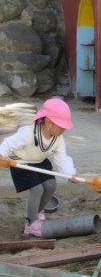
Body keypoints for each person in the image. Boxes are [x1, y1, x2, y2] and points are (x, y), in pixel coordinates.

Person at [0, 98, 76, 236]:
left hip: (39, 161)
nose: (64, 129)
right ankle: (30, 223)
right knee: (37, 189)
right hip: (21, 163)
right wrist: (1, 155)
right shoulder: (28, 133)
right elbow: (8, 144)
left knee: (51, 185)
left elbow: (62, 157)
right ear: (48, 122)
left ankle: (37, 212)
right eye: (61, 126)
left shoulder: (58, 138)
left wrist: (69, 173)